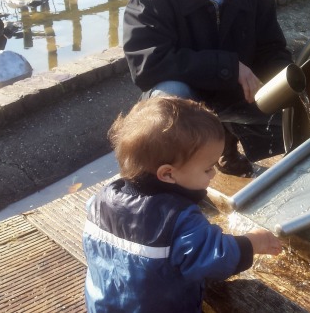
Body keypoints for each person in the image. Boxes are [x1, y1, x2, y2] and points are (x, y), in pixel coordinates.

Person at [122, 0, 293, 177]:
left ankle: (227, 148)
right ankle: (172, 180)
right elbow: (146, 65)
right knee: (170, 100)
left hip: (235, 94)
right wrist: (228, 68)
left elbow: (271, 49)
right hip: (187, 96)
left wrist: (288, 82)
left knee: (289, 101)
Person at [83, 96, 282, 312]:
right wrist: (253, 242)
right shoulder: (177, 219)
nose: (214, 173)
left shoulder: (100, 200)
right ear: (168, 174)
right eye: (207, 168)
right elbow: (215, 257)